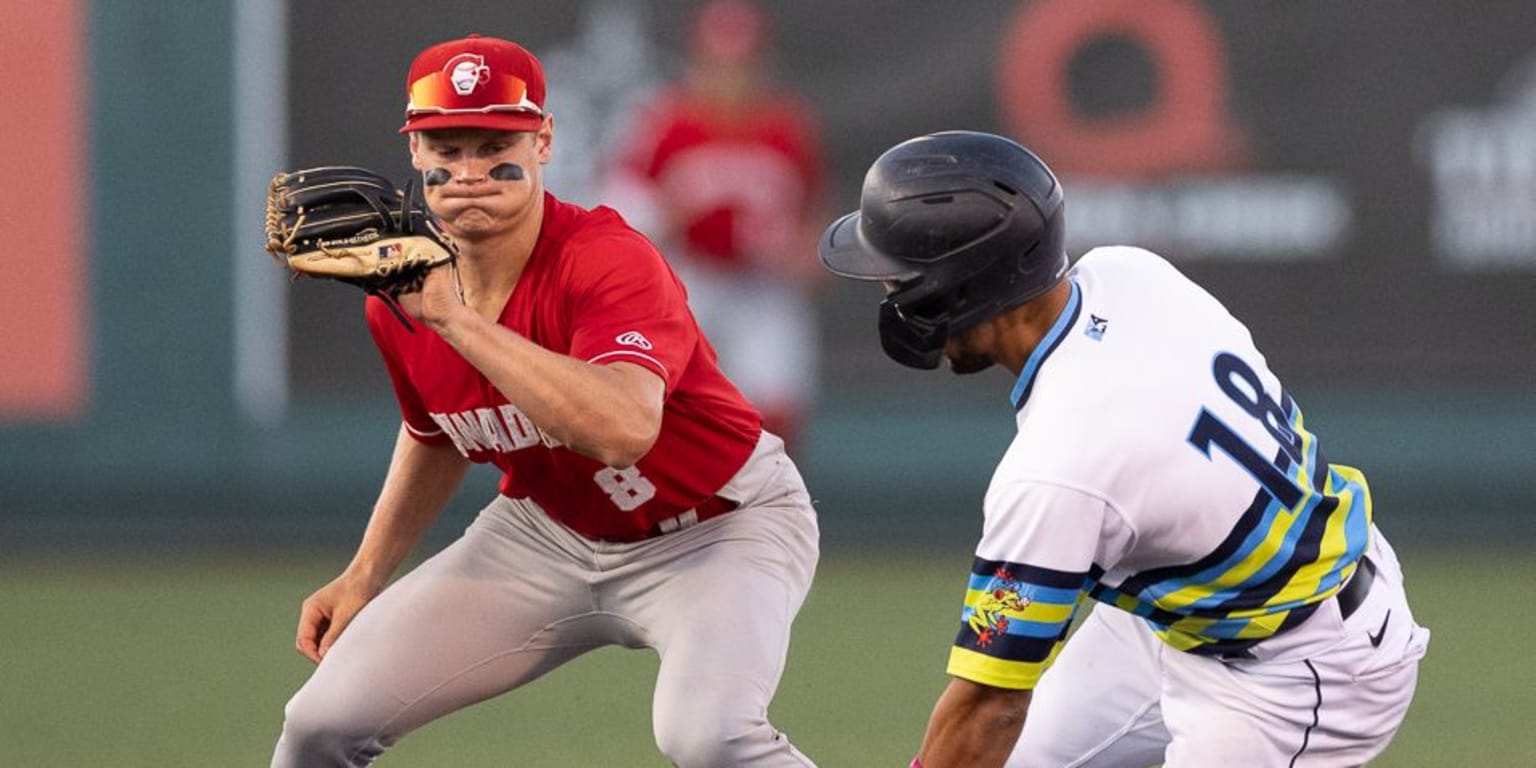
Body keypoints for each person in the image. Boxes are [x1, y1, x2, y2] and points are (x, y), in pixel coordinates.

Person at [270, 34, 820, 768]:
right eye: (446, 144)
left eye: (493, 140)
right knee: (319, 722)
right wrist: (366, 574)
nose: (467, 170)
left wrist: (457, 321)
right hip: (545, 536)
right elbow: (433, 432)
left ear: (543, 141)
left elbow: (623, 428)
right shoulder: (403, 297)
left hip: (716, 529)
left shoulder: (607, 259)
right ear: (415, 152)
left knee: (710, 736)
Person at [818, 130, 1430, 768]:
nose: (890, 295)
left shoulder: (1061, 469)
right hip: (1198, 609)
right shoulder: (1127, 272)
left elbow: (989, 706)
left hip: (1293, 673)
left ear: (958, 290)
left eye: (901, 279)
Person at [603, 0, 826, 452]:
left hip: (762, 287)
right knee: (667, 404)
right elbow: (618, 221)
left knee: (777, 408)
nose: (731, 76)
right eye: (721, 62)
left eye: (742, 64)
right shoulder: (666, 123)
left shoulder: (786, 129)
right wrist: (672, 215)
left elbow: (813, 229)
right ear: (698, 60)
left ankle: (769, 510)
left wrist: (797, 253)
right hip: (688, 280)